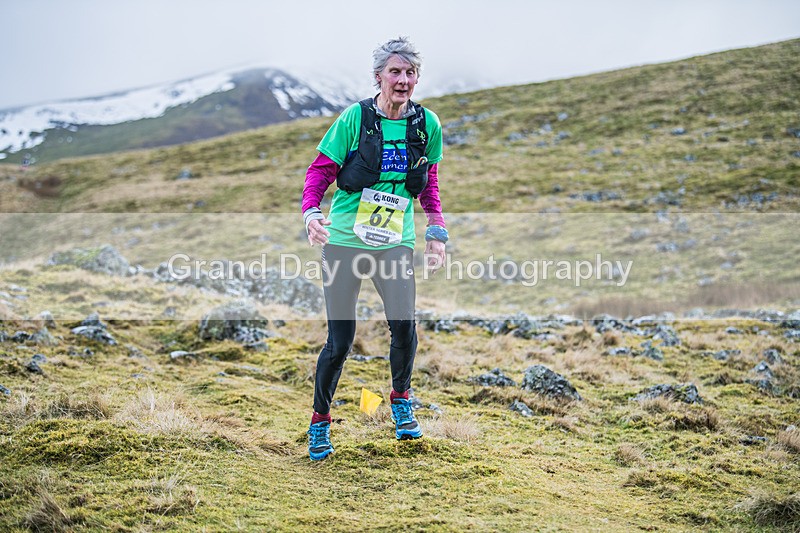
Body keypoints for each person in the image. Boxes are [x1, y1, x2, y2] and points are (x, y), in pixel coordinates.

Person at [301, 36, 448, 461]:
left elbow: (430, 187)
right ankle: (320, 423)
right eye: (395, 72)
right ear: (379, 77)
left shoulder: (427, 125)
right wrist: (311, 214)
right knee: (340, 341)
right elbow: (319, 172)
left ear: (417, 78)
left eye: (410, 73)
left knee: (404, 324)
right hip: (345, 240)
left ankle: (401, 398)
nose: (403, 80)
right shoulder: (355, 118)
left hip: (394, 242)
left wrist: (436, 234)